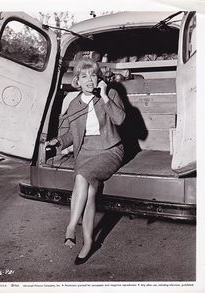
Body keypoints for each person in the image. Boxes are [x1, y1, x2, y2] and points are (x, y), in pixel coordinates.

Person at [47, 58, 126, 265]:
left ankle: (71, 227)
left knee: (82, 177)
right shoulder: (74, 104)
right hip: (85, 152)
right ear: (78, 82)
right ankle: (89, 242)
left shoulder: (110, 94)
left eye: (93, 75)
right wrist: (57, 141)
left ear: (98, 77)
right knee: (89, 191)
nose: (89, 79)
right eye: (84, 76)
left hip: (109, 150)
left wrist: (105, 96)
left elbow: (120, 120)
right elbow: (72, 135)